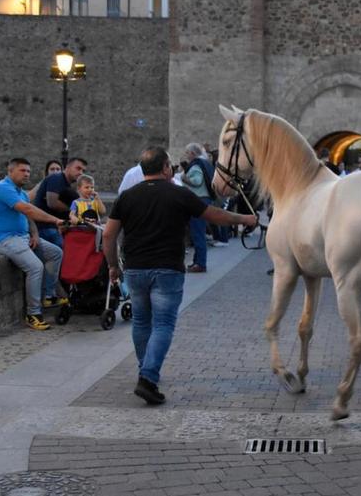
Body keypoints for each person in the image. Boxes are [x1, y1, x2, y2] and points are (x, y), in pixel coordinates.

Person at [103, 146, 257, 405]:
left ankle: (145, 368)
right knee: (163, 324)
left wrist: (112, 266)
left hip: (135, 269)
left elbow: (108, 235)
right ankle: (148, 377)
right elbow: (215, 215)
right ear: (165, 168)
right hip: (168, 269)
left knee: (141, 322)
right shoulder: (179, 194)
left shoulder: (126, 196)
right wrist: (246, 219)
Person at [0, 158, 66, 330]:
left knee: (55, 253)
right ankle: (33, 313)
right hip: (3, 239)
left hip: (22, 237)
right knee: (35, 267)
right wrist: (56, 220)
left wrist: (34, 233)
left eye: (28, 171)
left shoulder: (20, 192)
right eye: (22, 171)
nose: (26, 174)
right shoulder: (3, 188)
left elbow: (27, 216)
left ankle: (48, 295)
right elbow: (28, 209)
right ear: (10, 171)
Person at [33, 157, 87, 248]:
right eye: (78, 168)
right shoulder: (56, 178)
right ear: (67, 167)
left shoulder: (67, 185)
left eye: (83, 171)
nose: (81, 173)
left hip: (55, 227)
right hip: (46, 228)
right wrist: (74, 210)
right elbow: (52, 203)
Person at [181, 143, 216, 273]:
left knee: (198, 233)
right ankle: (197, 261)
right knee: (198, 232)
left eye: (187, 152)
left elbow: (197, 181)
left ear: (193, 153)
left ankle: (200, 263)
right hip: (203, 200)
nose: (186, 155)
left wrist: (184, 178)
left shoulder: (196, 165)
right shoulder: (203, 163)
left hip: (198, 200)